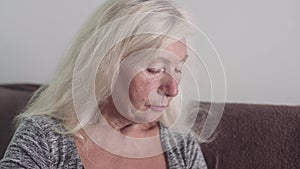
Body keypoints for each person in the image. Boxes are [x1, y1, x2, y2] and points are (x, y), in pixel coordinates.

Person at [0, 0, 207, 168]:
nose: (173, 89)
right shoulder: (44, 139)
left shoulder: (182, 149)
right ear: (106, 65)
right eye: (154, 69)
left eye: (178, 69)